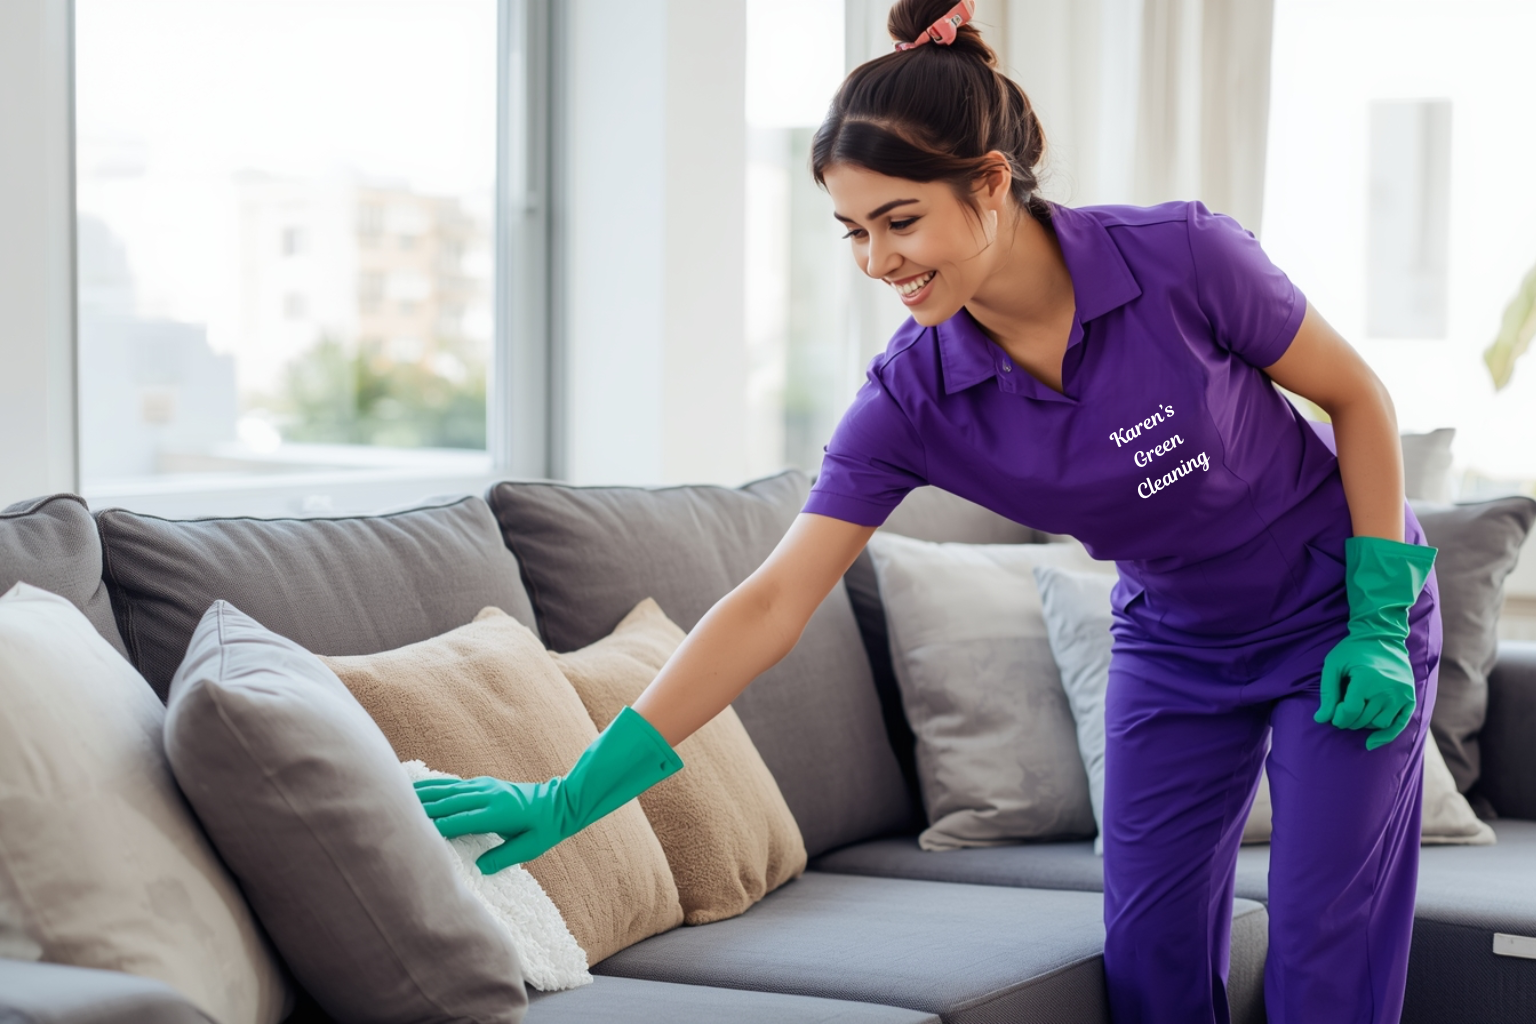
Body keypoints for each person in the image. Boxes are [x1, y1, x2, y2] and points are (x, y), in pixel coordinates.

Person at [411, 2, 1440, 1021]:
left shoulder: (1181, 257)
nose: (877, 261)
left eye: (900, 221)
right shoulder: (912, 397)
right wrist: (572, 792)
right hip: (1176, 645)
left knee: (1324, 957)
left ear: (990, 183)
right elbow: (773, 601)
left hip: (1338, 608)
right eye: (854, 231)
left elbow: (1357, 399)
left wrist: (1380, 619)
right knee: (1151, 956)